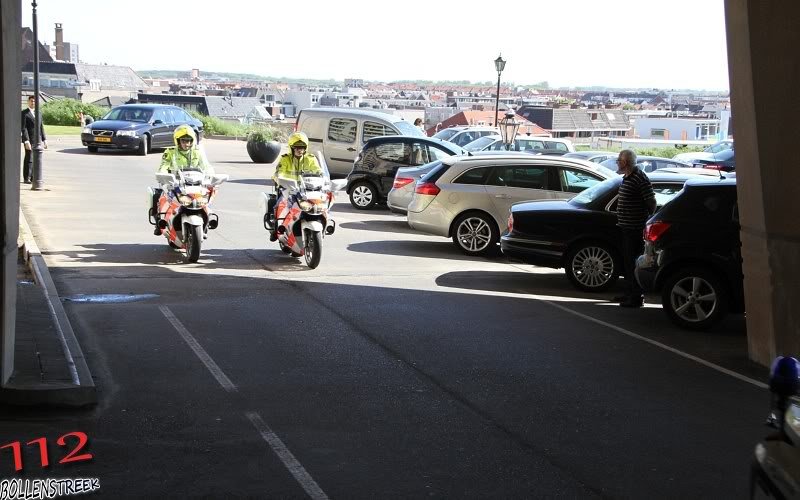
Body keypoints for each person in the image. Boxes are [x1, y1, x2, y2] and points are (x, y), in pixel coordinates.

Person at [151, 125, 213, 234]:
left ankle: (208, 218)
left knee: (208, 194)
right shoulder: (170, 152)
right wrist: (163, 175)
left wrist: (210, 176)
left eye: (189, 141)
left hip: (195, 184)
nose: (187, 144)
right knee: (157, 195)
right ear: (178, 141)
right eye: (184, 141)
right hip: (176, 183)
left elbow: (206, 166)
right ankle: (158, 223)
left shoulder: (197, 152)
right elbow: (164, 166)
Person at [615, 149, 656, 308]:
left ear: (625, 162)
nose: (617, 162)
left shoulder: (639, 178)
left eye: (619, 160)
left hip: (635, 229)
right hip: (627, 227)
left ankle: (636, 297)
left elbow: (651, 201)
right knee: (627, 263)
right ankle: (629, 293)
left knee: (634, 263)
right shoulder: (627, 177)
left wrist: (645, 220)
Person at [268, 132, 322, 241]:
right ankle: (275, 229)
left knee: (321, 204)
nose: (299, 150)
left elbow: (319, 172)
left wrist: (323, 181)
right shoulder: (285, 159)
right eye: (296, 147)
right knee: (279, 205)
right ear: (292, 148)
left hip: (307, 189)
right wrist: (281, 179)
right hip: (288, 189)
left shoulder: (311, 159)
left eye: (302, 147)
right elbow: (279, 173)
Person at [21, 95, 47, 184]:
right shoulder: (24, 113)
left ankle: (34, 177)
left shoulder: (38, 113)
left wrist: (44, 140)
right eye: (31, 101)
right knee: (29, 158)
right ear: (28, 102)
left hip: (38, 140)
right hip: (29, 140)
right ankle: (26, 178)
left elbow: (41, 127)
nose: (33, 103)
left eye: (34, 101)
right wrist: (26, 141)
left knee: (37, 159)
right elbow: (23, 128)